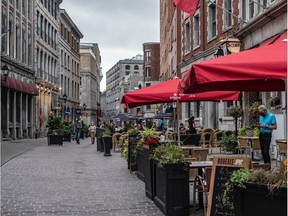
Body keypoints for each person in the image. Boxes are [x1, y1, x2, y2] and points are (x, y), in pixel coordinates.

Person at [254, 105, 277, 169]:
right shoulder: (261, 116)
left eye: (261, 112)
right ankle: (265, 166)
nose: (260, 113)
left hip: (267, 134)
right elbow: (261, 126)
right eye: (260, 112)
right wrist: (258, 126)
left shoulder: (272, 116)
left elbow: (275, 127)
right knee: (262, 151)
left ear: (265, 110)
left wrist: (266, 126)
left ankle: (268, 166)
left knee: (265, 151)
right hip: (261, 134)